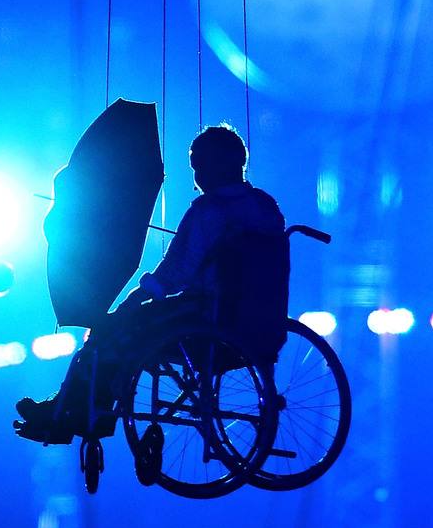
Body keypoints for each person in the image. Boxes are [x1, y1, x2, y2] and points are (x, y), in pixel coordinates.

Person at [15, 124, 286, 443]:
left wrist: (137, 297)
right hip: (260, 324)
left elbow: (177, 271)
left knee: (109, 329)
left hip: (207, 318)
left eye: (201, 165)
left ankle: (73, 412)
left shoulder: (208, 210)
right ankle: (76, 409)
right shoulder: (266, 207)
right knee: (123, 329)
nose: (197, 176)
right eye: (194, 167)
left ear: (224, 162)